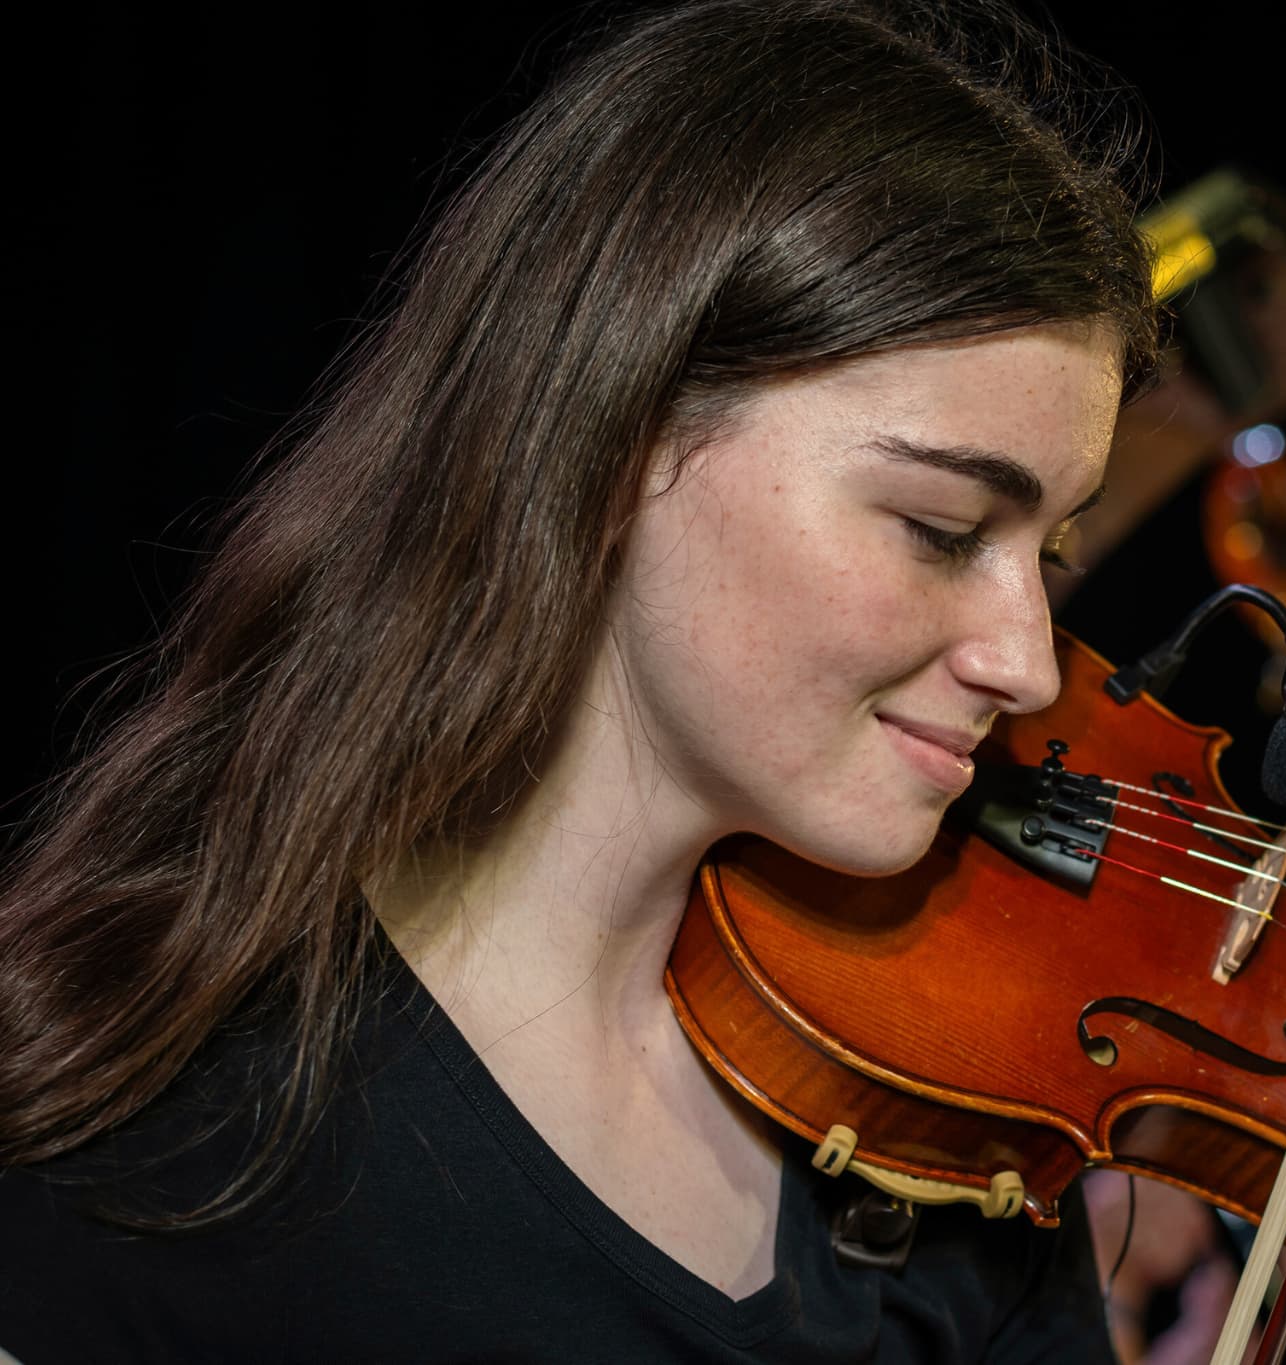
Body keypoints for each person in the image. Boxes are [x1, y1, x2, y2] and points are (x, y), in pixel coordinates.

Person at [0, 3, 1156, 1360]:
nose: (1027, 662)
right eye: (944, 528)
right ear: (618, 439)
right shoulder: (158, 1141)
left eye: (1052, 551)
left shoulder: (955, 1124)